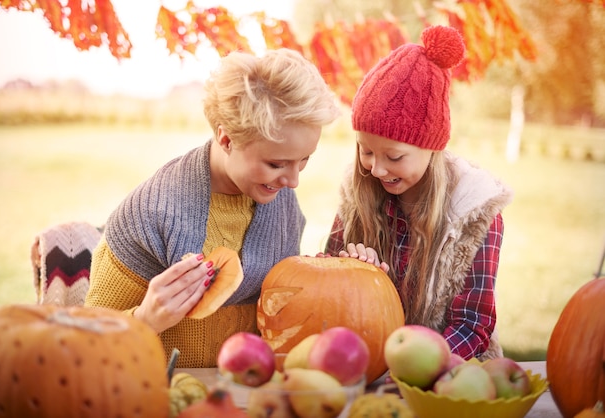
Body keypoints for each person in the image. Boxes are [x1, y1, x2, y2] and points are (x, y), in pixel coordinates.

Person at [85, 48, 341, 368]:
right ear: (227, 138)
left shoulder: (282, 207)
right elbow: (87, 347)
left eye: (304, 160)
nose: (293, 181)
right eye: (277, 163)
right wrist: (147, 318)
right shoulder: (149, 215)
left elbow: (279, 318)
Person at [324, 25, 513, 360]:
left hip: (448, 376)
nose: (376, 170)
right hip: (366, 365)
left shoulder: (474, 213)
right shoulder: (359, 196)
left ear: (432, 147)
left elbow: (473, 326)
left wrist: (414, 368)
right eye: (365, 151)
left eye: (394, 157)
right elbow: (320, 290)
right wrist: (349, 273)